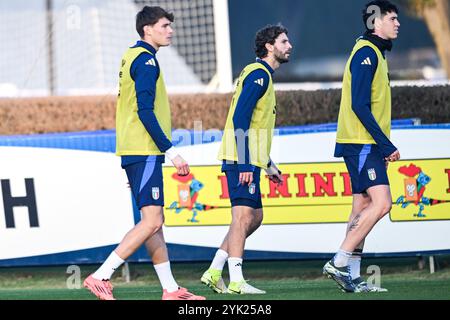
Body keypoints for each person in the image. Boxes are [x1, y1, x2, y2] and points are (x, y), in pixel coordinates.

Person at [83, 6, 205, 301]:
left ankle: (171, 289)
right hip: (144, 149)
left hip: (136, 150)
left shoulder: (132, 55)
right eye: (164, 25)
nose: (170, 30)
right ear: (147, 29)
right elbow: (145, 111)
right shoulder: (147, 61)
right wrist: (172, 151)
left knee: (154, 221)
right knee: (152, 221)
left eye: (169, 26)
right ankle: (100, 276)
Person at [201, 25, 292, 294]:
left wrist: (268, 164)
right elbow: (240, 118)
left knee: (255, 217)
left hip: (250, 159)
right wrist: (244, 163)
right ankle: (237, 281)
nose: (289, 46)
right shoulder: (258, 74)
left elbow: (254, 127)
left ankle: (215, 269)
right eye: (284, 41)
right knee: (242, 217)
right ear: (269, 46)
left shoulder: (261, 75)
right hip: (241, 160)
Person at [323, 0, 401, 293]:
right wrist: (384, 144)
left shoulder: (374, 53)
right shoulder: (366, 53)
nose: (397, 23)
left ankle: (351, 276)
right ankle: (338, 261)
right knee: (382, 204)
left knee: (362, 206)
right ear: (375, 23)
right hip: (361, 143)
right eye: (391, 18)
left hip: (362, 143)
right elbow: (359, 104)